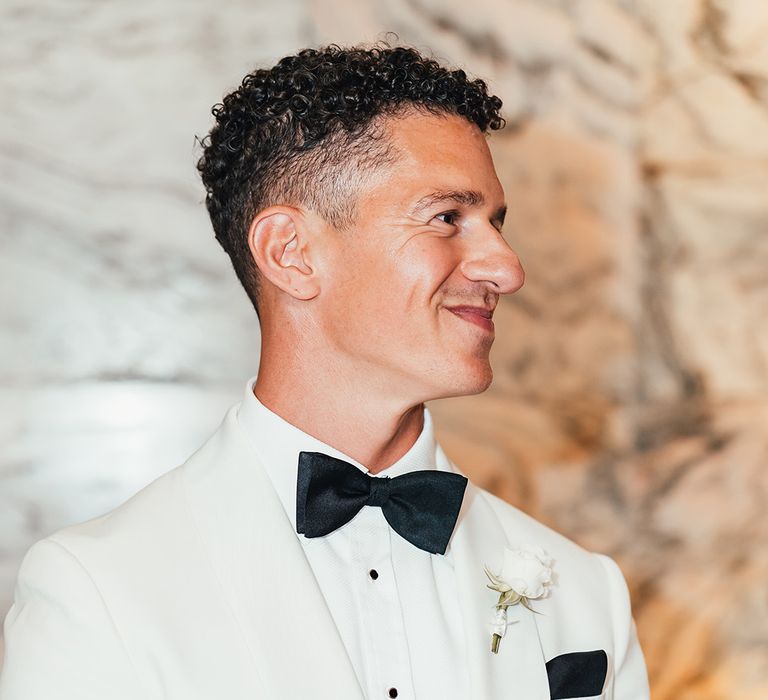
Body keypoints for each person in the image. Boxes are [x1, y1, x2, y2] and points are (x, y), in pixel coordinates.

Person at [0, 43, 649, 700]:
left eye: (496, 224)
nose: (507, 270)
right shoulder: (97, 592)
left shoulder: (583, 591)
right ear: (292, 253)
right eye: (448, 217)